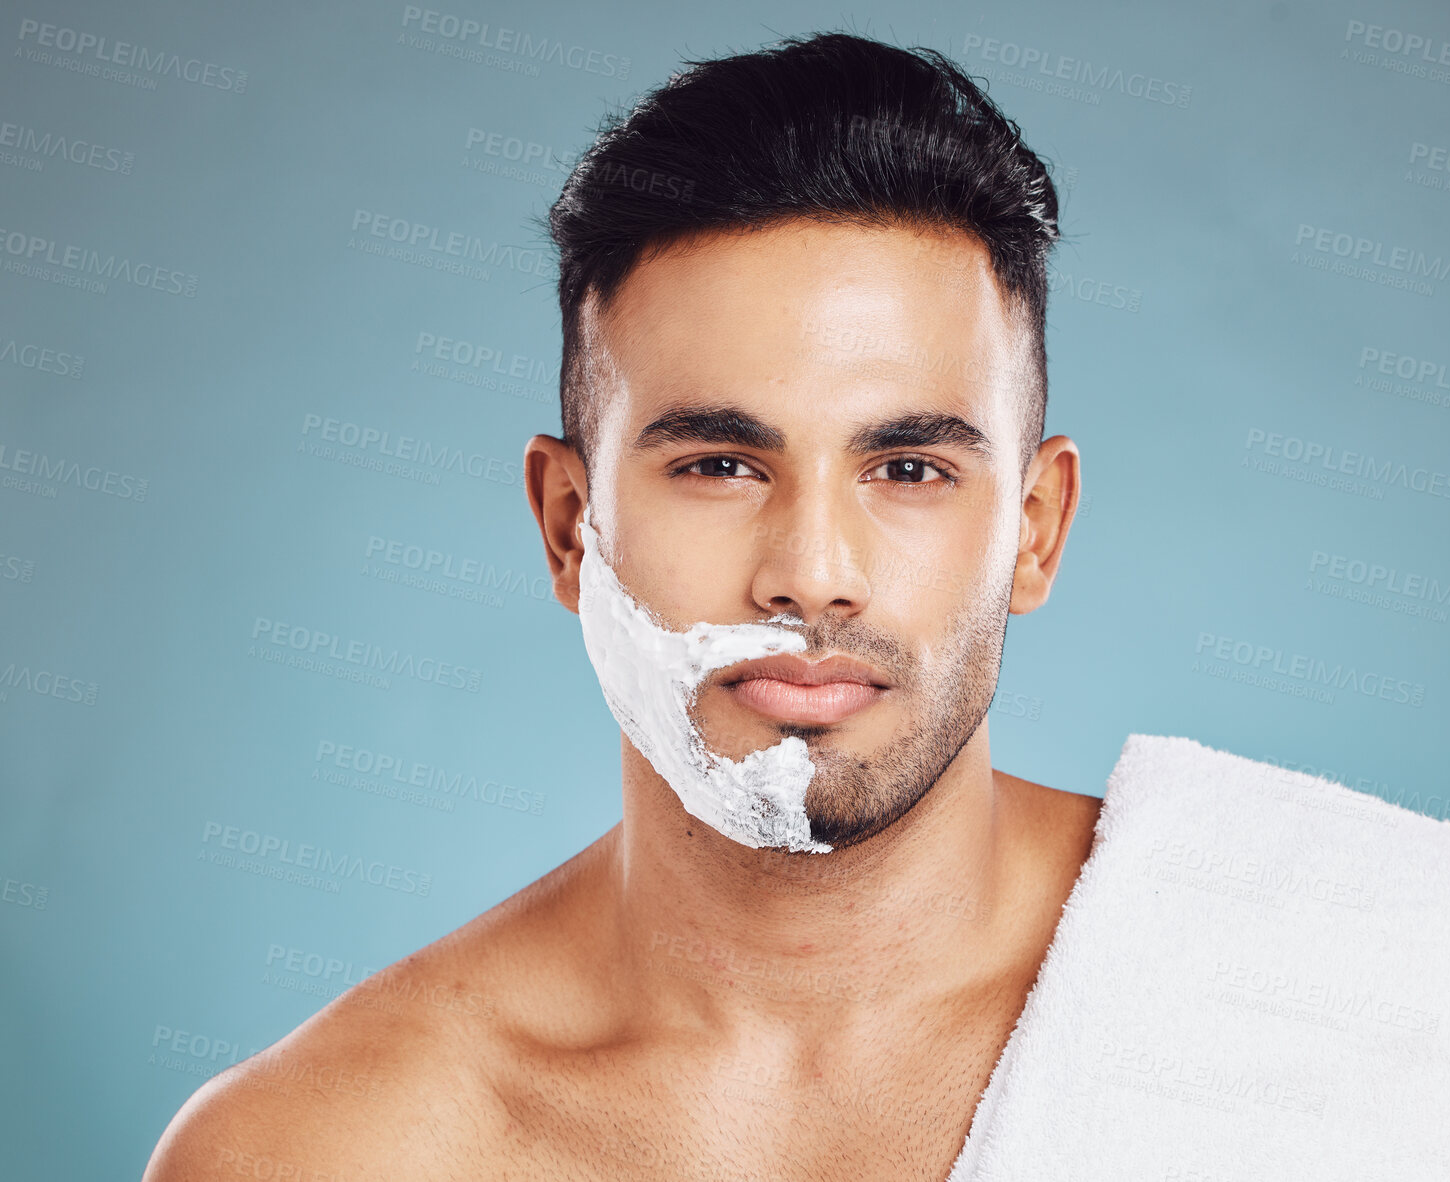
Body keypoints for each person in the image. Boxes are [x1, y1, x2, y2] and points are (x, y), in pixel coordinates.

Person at [144, 30, 1096, 1181]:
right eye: (718, 465)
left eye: (906, 470)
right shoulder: (328, 1152)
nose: (811, 570)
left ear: (1034, 531)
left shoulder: (1323, 970)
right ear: (567, 527)